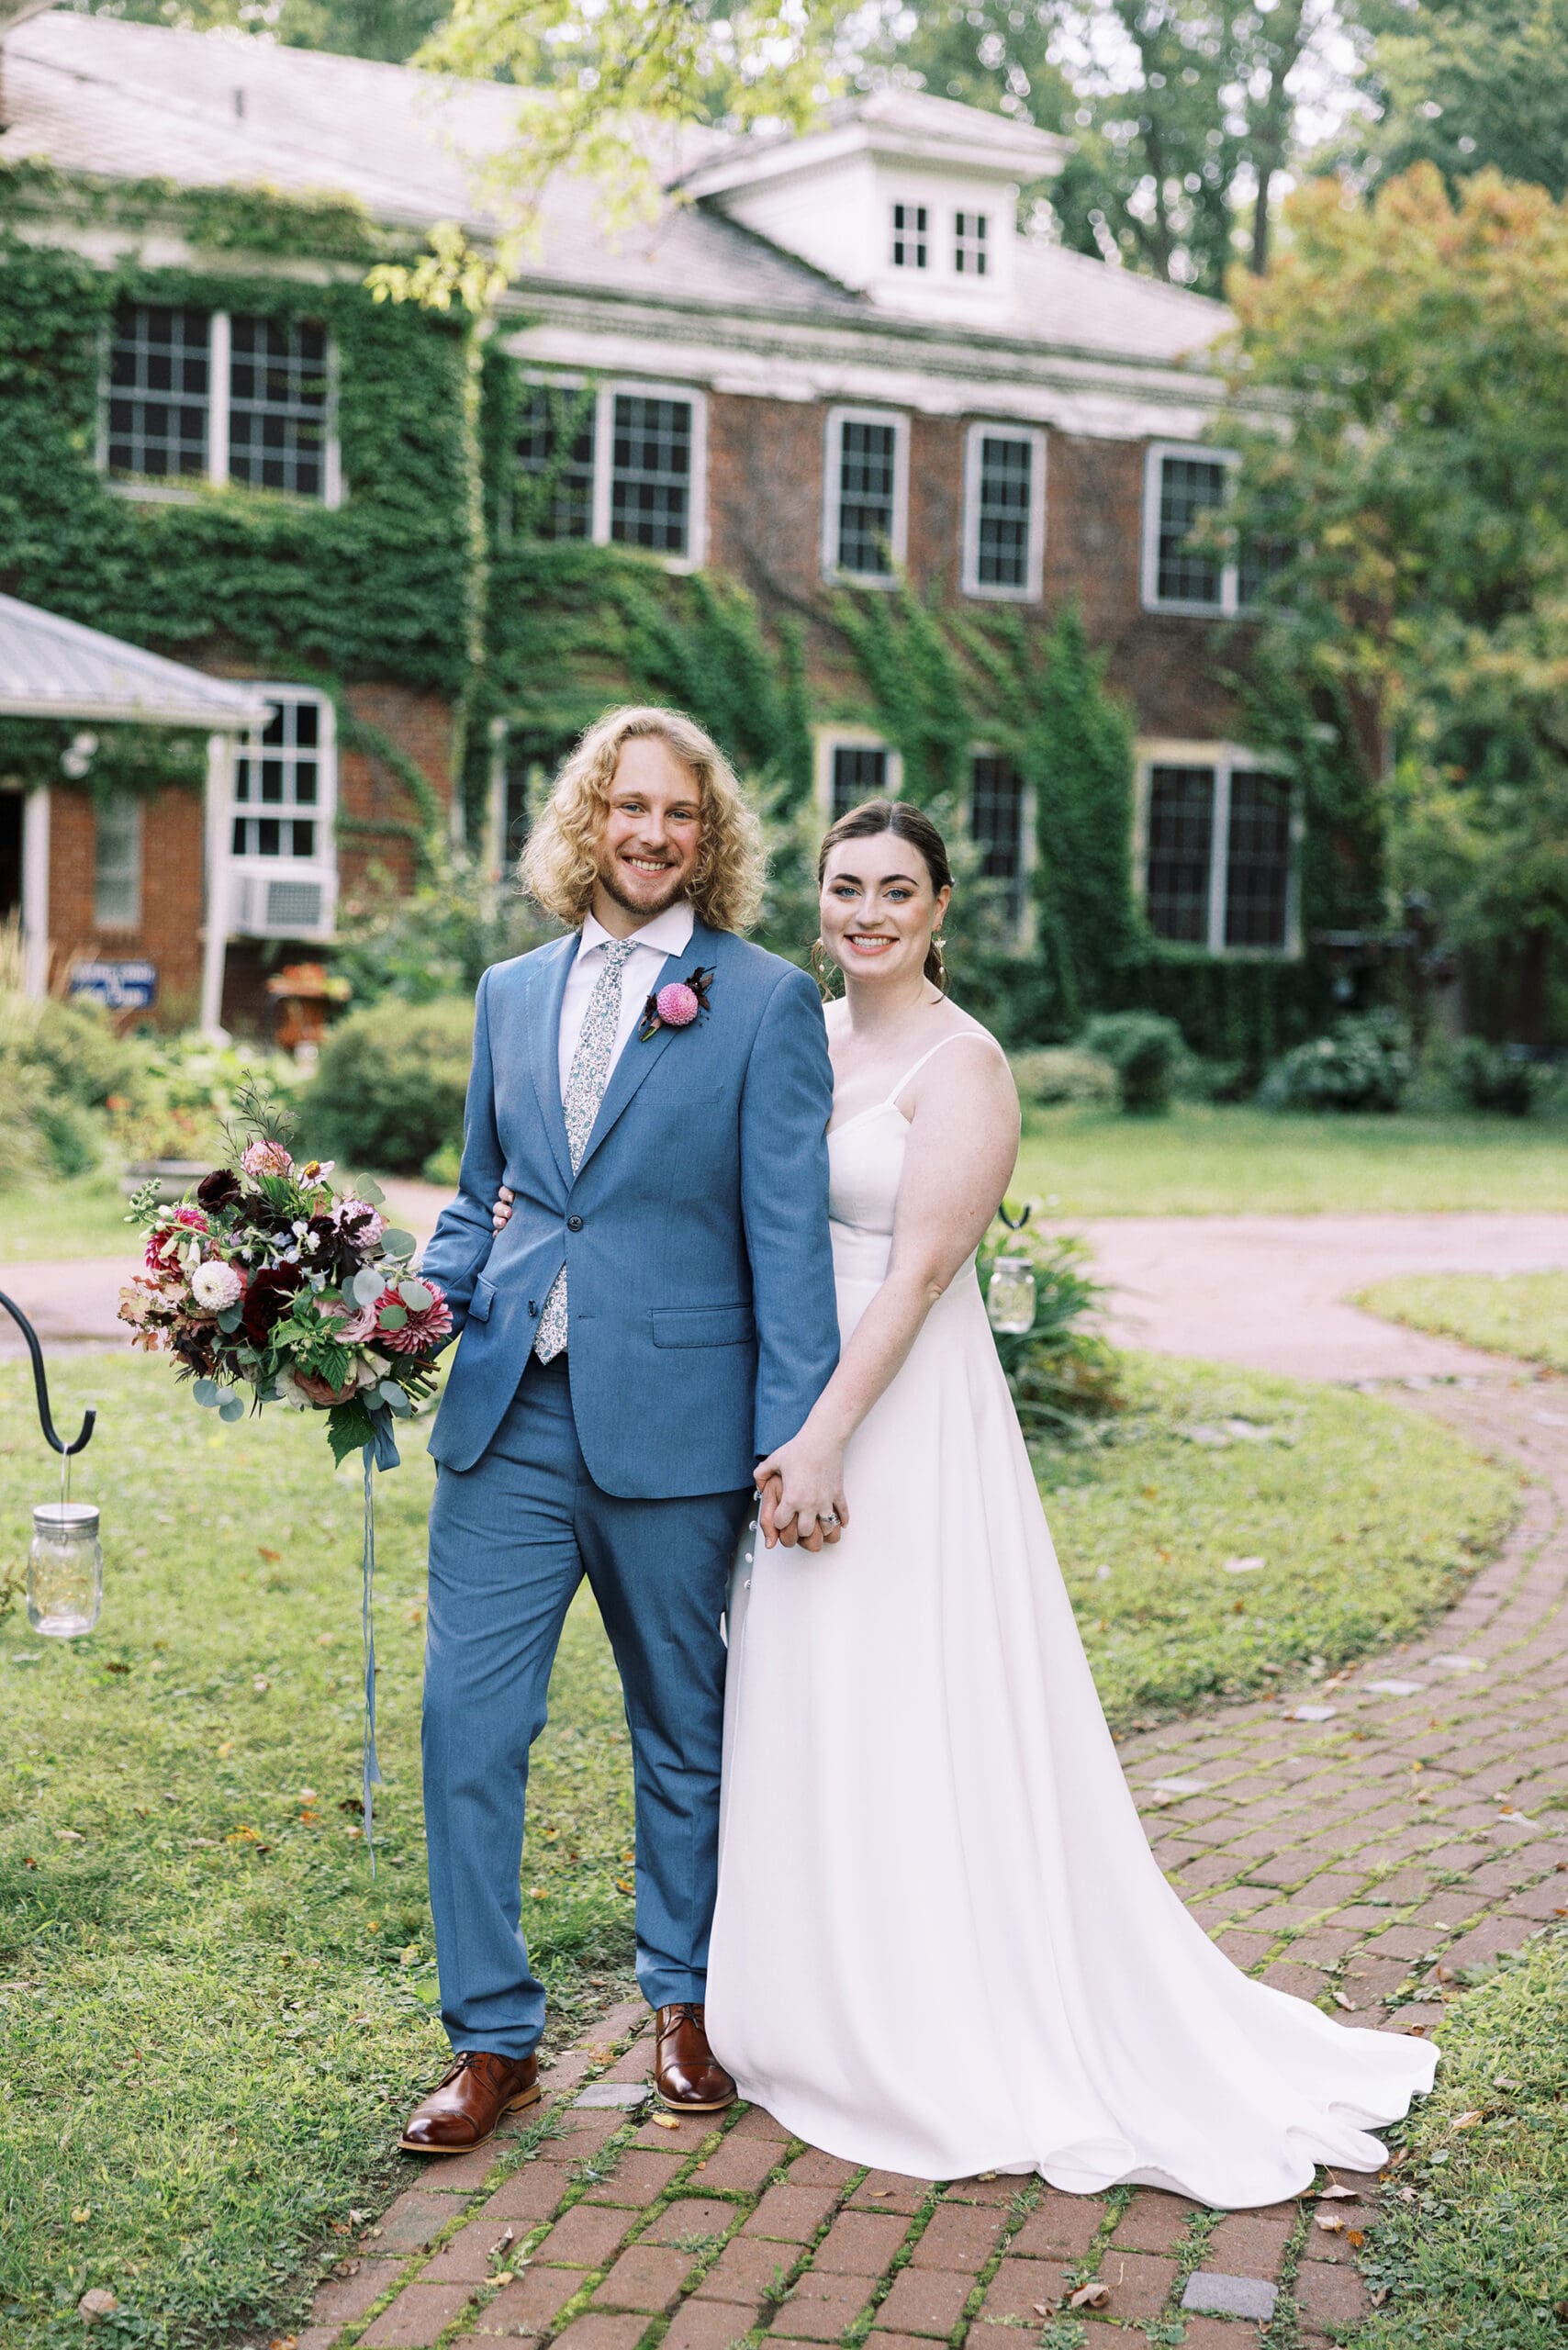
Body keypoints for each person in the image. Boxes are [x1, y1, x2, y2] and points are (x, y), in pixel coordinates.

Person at [701, 796, 1438, 2202]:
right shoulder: (809, 1036)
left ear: (941, 909)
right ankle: (814, 2002)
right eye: (846, 887)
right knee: (815, 1694)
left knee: (912, 1693)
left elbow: (918, 1275)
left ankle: (935, 2018)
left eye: (896, 890)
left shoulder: (963, 1064)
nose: (867, 912)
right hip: (798, 1391)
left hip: (894, 1412)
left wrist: (829, 1436)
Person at [399, 707, 841, 2157]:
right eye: (629, 806)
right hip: (506, 1414)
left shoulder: (763, 1001)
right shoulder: (509, 991)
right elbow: (484, 1193)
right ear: (587, 819)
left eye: (683, 815)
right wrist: (404, 1314)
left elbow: (788, 1242)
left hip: (677, 1425)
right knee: (468, 1725)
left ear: (710, 842)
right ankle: (491, 2039)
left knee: (685, 1728)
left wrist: (797, 1435)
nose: (652, 834)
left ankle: (689, 2001)